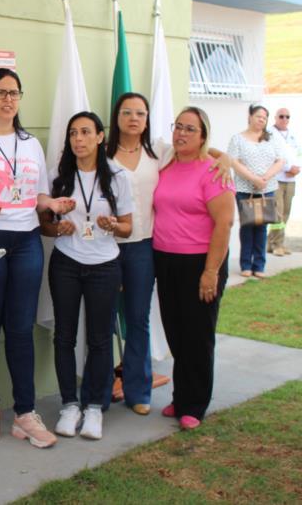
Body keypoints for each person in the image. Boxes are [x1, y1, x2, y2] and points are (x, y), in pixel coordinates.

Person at [0, 68, 73, 449]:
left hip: (26, 241)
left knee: (20, 327)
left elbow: (36, 195)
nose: (8, 100)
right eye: (1, 92)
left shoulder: (30, 143)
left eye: (15, 93)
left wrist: (51, 203)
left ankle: (25, 412)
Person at [99, 92, 232, 415]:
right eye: (127, 112)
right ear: (116, 117)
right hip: (131, 251)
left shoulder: (159, 152)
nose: (133, 118)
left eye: (141, 113)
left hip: (170, 254)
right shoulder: (112, 154)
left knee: (160, 325)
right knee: (166, 327)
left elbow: (224, 218)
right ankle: (105, 395)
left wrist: (224, 157)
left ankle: (168, 399)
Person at [39, 111, 134, 441]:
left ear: (99, 137)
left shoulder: (118, 176)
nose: (78, 139)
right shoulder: (58, 175)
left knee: (99, 338)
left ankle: (94, 407)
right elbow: (45, 225)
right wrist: (57, 227)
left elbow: (128, 227)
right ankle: (69, 405)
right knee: (64, 337)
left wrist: (112, 225)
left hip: (105, 266)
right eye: (72, 134)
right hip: (66, 263)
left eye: (84, 132)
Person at [153, 107, 235, 430]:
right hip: (166, 260)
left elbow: (225, 223)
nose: (182, 133)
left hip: (201, 262)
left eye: (190, 129)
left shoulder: (213, 171)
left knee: (197, 335)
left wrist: (210, 271)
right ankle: (181, 396)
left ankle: (195, 405)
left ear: (203, 135)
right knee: (175, 331)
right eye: (178, 127)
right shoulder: (167, 162)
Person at [228, 104, 285, 278]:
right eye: (258, 116)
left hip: (267, 189)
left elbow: (280, 160)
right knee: (247, 226)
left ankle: (259, 265)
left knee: (262, 226)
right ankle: (246, 264)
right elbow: (233, 161)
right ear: (250, 116)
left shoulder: (271, 138)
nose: (261, 119)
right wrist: (253, 179)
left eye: (265, 117)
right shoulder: (238, 138)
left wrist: (265, 178)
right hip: (245, 189)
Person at [267, 107, 300, 256]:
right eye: (281, 116)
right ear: (275, 117)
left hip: (291, 179)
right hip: (277, 179)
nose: (284, 119)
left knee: (286, 212)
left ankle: (272, 243)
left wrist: (297, 168)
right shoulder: (270, 134)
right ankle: (277, 244)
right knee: (278, 213)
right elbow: (270, 156)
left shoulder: (293, 135)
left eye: (287, 117)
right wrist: (286, 167)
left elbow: (298, 153)